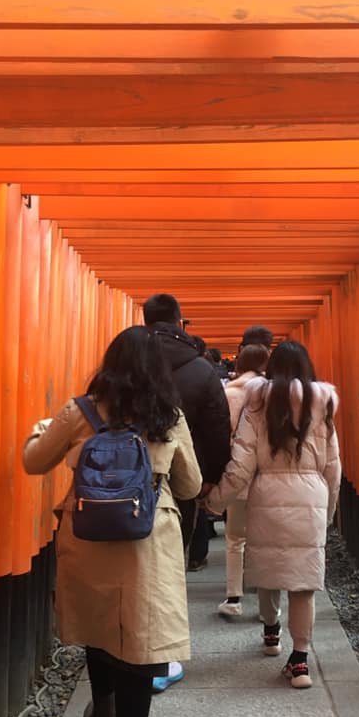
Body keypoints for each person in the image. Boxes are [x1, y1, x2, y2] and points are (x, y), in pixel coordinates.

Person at [22, 326, 201, 717]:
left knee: (101, 628)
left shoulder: (81, 411)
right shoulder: (168, 417)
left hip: (87, 537)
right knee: (140, 650)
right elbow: (191, 486)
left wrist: (45, 428)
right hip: (147, 543)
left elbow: (33, 462)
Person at [204, 340, 341, 689]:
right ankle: (299, 661)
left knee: (267, 569)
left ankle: (270, 631)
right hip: (311, 493)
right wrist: (328, 511)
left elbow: (241, 464)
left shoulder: (258, 404)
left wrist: (215, 502)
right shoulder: (322, 405)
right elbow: (333, 466)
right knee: (303, 582)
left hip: (267, 493)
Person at [143, 293, 231, 686]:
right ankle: (160, 655)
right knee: (169, 563)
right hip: (180, 478)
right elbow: (216, 425)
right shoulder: (200, 369)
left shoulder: (131, 360)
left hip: (125, 476)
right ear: (180, 323)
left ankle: (128, 650)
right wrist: (211, 475)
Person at [216, 343, 270, 618]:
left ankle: (233, 598)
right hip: (268, 473)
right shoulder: (275, 392)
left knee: (235, 537)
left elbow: (220, 434)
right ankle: (266, 605)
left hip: (236, 471)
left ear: (239, 363)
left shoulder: (229, 393)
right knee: (265, 539)